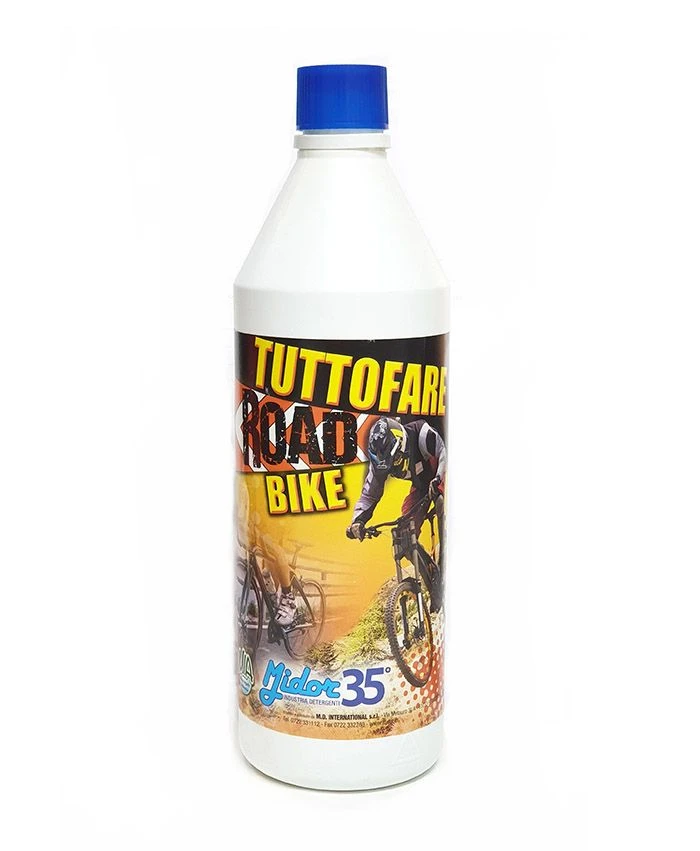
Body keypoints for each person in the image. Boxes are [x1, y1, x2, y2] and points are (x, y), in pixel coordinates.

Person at [346, 416, 446, 544]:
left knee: (440, 500)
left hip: (444, 473)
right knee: (405, 533)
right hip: (422, 487)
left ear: (402, 446)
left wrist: (438, 479)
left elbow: (444, 453)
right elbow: (369, 496)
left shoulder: (423, 434)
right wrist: (358, 521)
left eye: (395, 462)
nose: (393, 469)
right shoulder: (379, 464)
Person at [237, 480, 297, 626]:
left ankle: (289, 598)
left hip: (274, 506)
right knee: (266, 565)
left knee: (274, 548)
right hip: (259, 510)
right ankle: (273, 595)